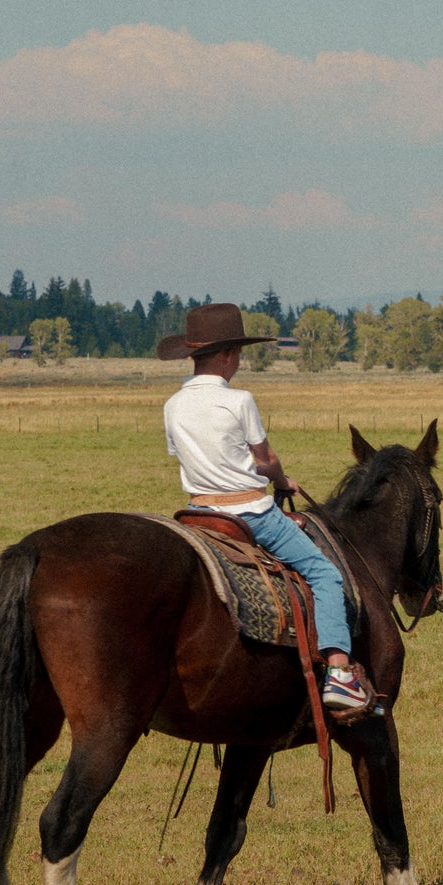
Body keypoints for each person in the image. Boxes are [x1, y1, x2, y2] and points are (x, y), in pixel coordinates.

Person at [160, 303, 373, 718]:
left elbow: (189, 456)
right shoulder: (239, 400)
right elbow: (265, 458)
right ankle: (341, 675)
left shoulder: (173, 405)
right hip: (250, 514)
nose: (238, 361)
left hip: (199, 515)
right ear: (225, 355)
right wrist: (281, 481)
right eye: (237, 353)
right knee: (325, 574)